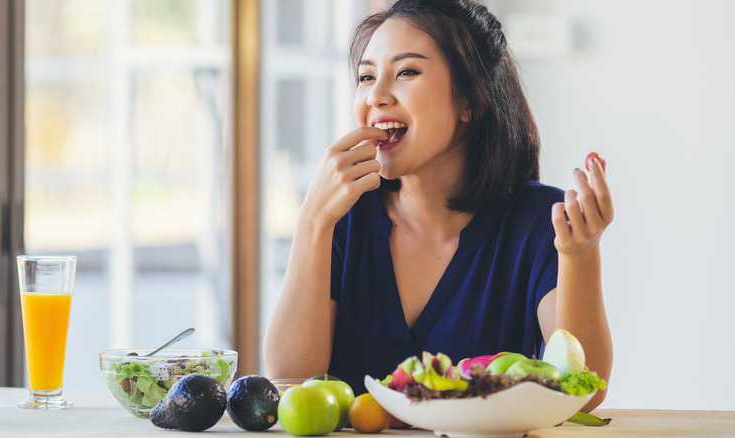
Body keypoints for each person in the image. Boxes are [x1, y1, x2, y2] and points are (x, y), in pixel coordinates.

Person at [263, 0, 613, 412]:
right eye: (366, 76)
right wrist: (313, 221)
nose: (376, 96)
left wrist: (580, 254)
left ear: (471, 99)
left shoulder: (541, 222)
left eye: (406, 72)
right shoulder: (343, 216)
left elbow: (582, 394)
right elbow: (289, 380)